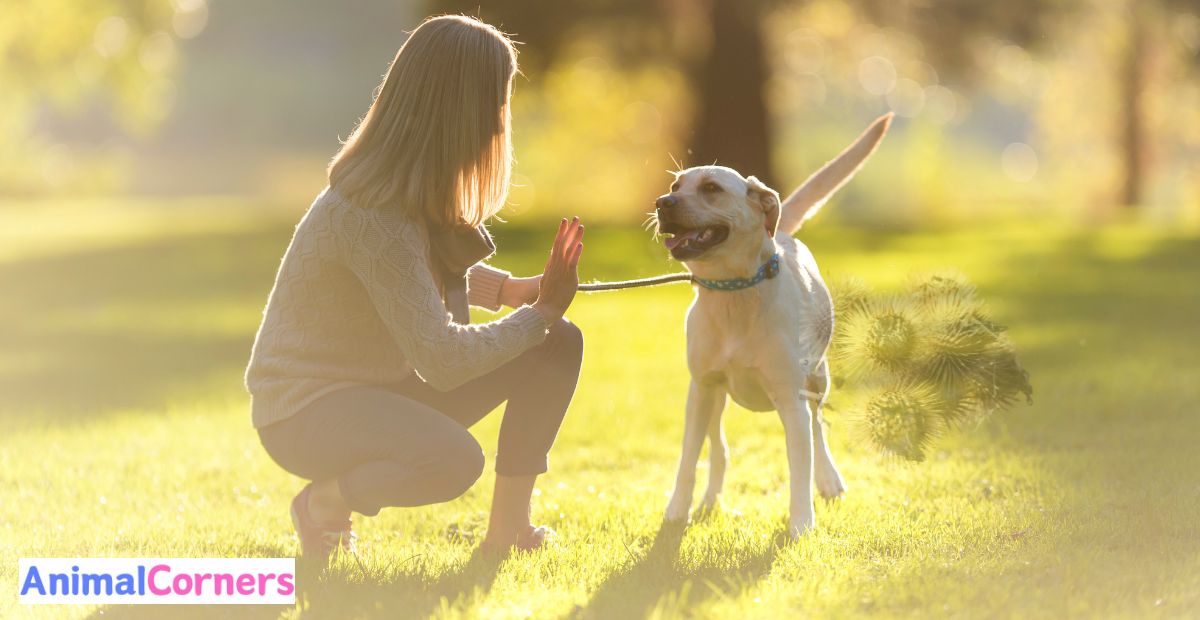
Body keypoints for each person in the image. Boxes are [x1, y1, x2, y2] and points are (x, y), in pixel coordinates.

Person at [244, 14, 585, 559]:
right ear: (461, 110)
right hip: (304, 411)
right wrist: (538, 313)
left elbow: (402, 279)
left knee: (557, 343)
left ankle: (508, 533)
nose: (500, 125)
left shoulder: (404, 195)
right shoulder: (372, 213)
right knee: (452, 461)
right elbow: (442, 358)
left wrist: (513, 294)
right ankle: (324, 505)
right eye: (496, 104)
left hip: (375, 385)